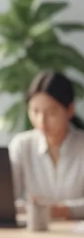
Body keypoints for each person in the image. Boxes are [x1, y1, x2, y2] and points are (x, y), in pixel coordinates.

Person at [9, 71, 84, 220]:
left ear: (70, 110)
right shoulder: (22, 145)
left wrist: (61, 210)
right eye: (35, 111)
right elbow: (7, 199)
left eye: (51, 113)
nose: (41, 121)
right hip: (35, 233)